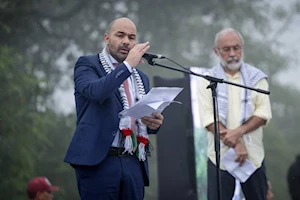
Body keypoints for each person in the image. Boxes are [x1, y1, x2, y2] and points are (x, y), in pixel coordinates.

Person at [64, 17, 164, 200]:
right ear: (107, 38)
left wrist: (154, 122)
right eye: (120, 35)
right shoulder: (87, 64)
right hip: (99, 162)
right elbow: (97, 92)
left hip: (134, 161)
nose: (127, 41)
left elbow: (142, 119)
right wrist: (127, 66)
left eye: (132, 37)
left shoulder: (141, 77)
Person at [198, 27, 272, 200]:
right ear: (216, 51)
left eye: (236, 48)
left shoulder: (257, 78)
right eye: (226, 49)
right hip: (220, 157)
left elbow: (263, 113)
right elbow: (209, 119)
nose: (232, 53)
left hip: (253, 156)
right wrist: (236, 144)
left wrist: (237, 134)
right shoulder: (208, 80)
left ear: (242, 49)